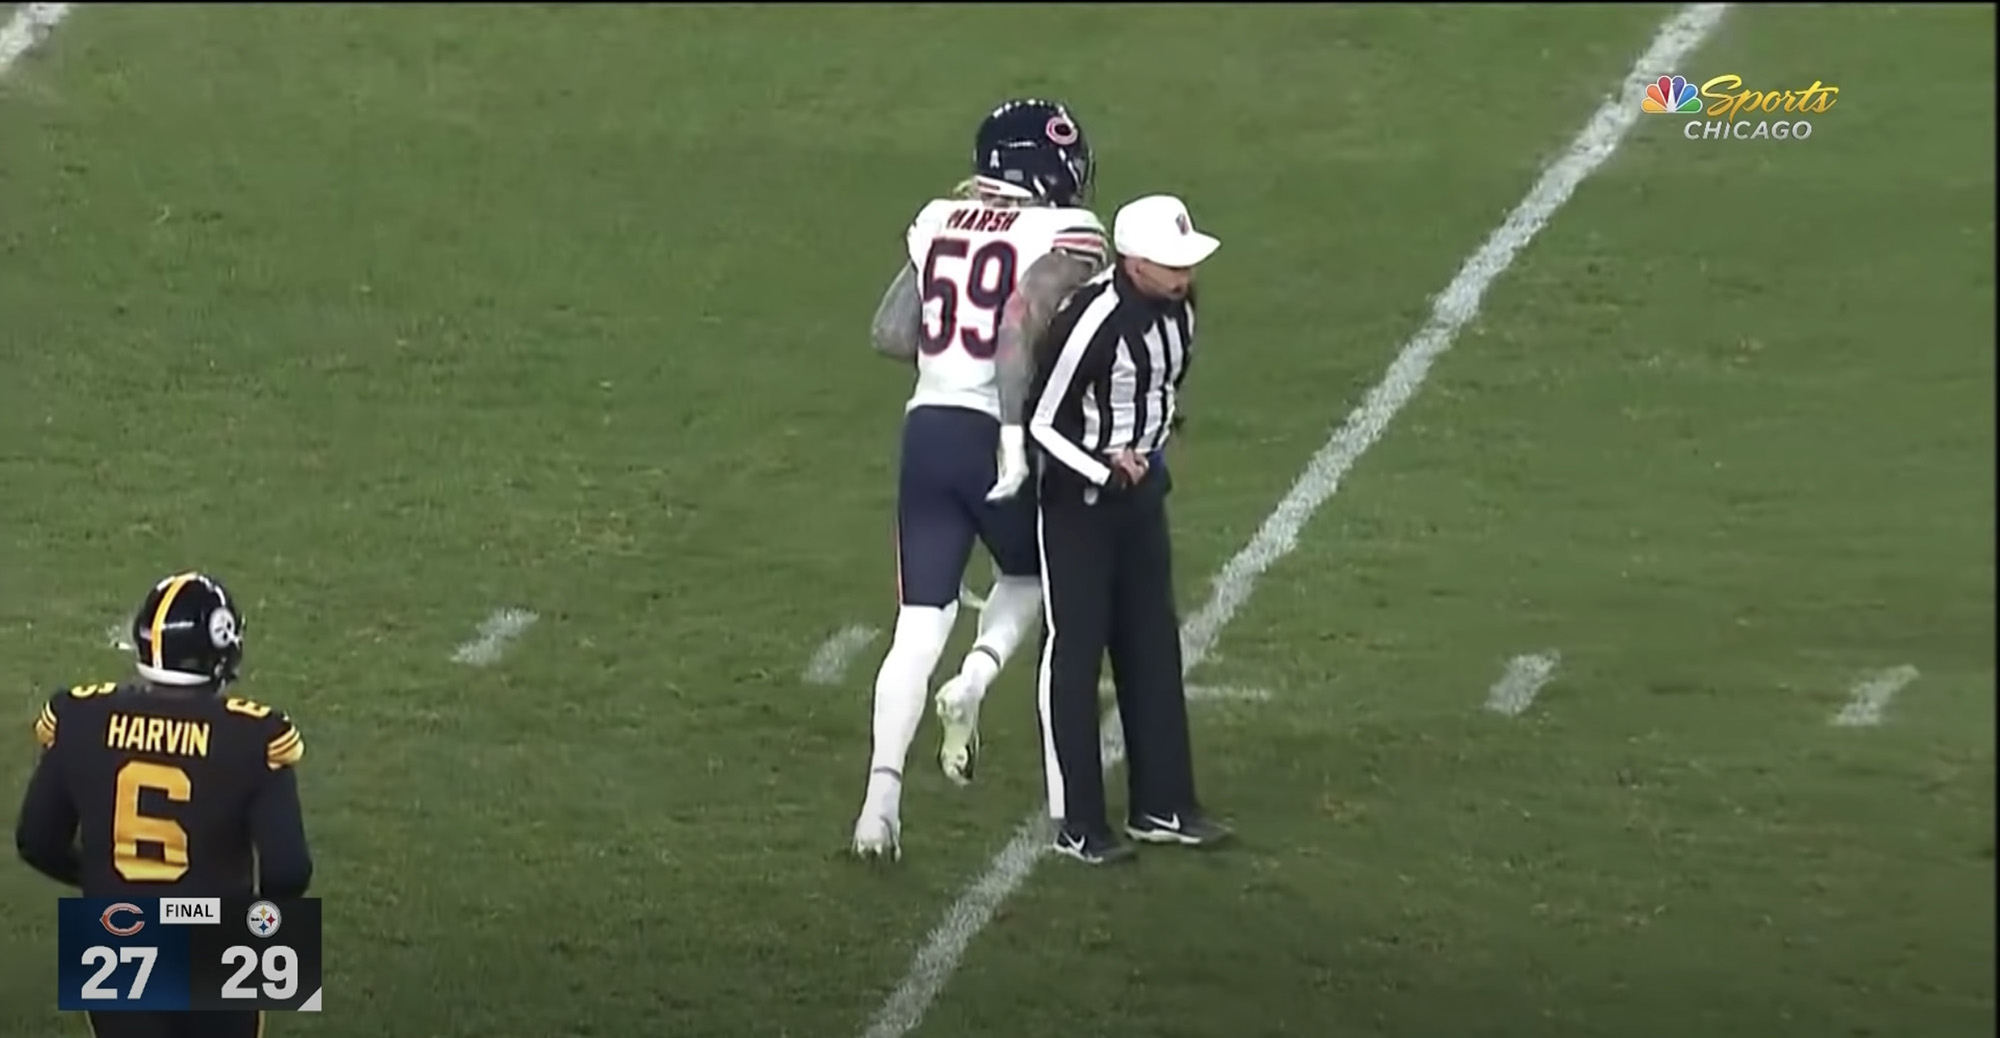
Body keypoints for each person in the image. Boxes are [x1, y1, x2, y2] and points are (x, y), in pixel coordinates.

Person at [851, 98, 1113, 860]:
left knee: (915, 625)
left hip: (926, 430)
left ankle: (879, 804)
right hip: (996, 432)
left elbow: (891, 332)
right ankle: (976, 676)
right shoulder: (1064, 233)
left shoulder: (938, 218)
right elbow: (1018, 332)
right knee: (1034, 578)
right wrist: (1009, 427)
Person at [14, 571, 312, 1038]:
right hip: (220, 933)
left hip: (114, 930)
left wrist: (106, 885)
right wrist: (252, 924)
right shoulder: (255, 736)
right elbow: (289, 871)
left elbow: (36, 841)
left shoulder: (78, 717)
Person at [1026, 194, 1231, 865]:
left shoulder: (1183, 312)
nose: (1183, 276)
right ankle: (1079, 821)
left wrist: (1155, 440)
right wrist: (1104, 467)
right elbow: (1042, 421)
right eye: (1170, 265)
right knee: (1077, 654)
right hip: (1079, 508)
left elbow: (1164, 388)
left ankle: (1163, 804)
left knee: (1153, 646)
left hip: (1141, 497)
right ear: (1133, 261)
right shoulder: (1089, 321)